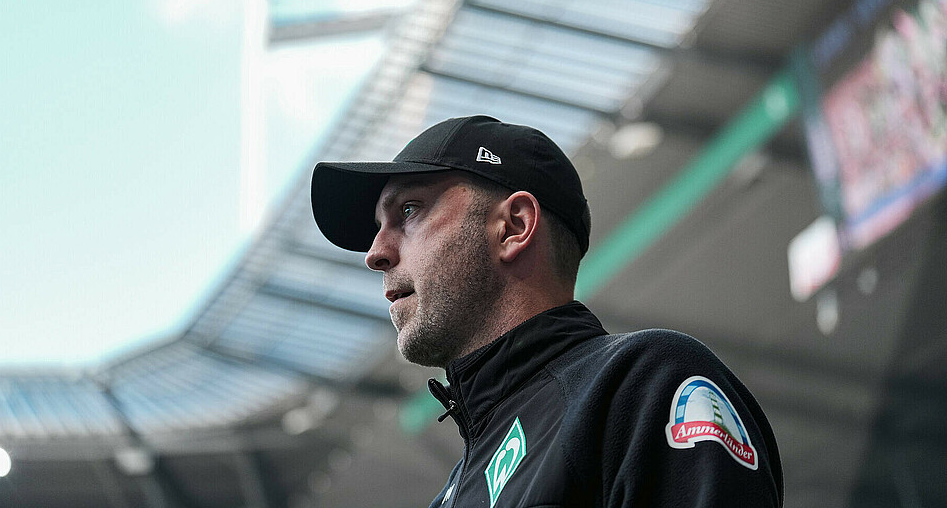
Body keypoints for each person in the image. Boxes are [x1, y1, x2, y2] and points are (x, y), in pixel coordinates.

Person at [311, 115, 783, 507]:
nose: (375, 253)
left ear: (514, 226)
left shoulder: (642, 384)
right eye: (380, 226)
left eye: (409, 211)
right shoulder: (450, 496)